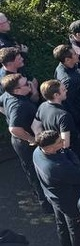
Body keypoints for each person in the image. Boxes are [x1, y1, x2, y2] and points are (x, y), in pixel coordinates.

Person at [3, 73, 48, 212]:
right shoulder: (19, 105)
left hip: (19, 141)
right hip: (25, 143)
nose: (29, 84)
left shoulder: (7, 96)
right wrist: (31, 139)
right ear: (17, 90)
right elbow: (14, 128)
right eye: (25, 84)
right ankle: (45, 204)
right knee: (35, 171)